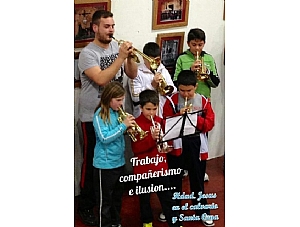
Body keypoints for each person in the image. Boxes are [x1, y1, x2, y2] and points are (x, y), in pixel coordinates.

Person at [77, 9, 138, 226]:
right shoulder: (88, 54)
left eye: (112, 26)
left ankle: (108, 205)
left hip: (115, 112)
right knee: (92, 162)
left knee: (112, 158)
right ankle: (85, 204)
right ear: (95, 27)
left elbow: (131, 74)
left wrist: (129, 58)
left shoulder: (116, 47)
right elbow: (102, 79)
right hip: (91, 115)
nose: (111, 30)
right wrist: (120, 56)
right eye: (106, 26)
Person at [163, 70, 216, 227]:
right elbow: (165, 123)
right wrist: (178, 115)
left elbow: (209, 124)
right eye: (182, 90)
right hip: (177, 145)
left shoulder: (204, 101)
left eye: (189, 91)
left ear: (196, 86)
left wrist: (195, 118)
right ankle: (173, 209)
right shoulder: (171, 101)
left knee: (197, 179)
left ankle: (202, 210)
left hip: (195, 144)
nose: (185, 94)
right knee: (174, 179)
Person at [173, 28, 220, 182]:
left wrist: (207, 74)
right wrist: (190, 70)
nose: (197, 48)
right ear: (188, 44)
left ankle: (200, 168)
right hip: (185, 101)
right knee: (184, 136)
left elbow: (216, 83)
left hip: (202, 103)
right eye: (194, 45)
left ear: (204, 44)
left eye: (200, 45)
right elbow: (175, 81)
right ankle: (184, 168)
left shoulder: (210, 58)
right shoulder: (181, 58)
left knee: (202, 137)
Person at [130, 89, 182, 227]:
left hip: (160, 167)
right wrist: (151, 139)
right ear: (140, 108)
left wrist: (167, 145)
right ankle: (147, 222)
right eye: (148, 109)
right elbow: (136, 149)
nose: (151, 113)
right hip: (143, 168)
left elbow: (167, 143)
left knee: (167, 198)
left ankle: (175, 222)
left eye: (154, 109)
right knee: (144, 199)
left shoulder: (160, 121)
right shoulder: (135, 124)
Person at [93, 81, 136, 227]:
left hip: (119, 162)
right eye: (118, 100)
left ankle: (116, 223)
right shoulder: (100, 115)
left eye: (122, 99)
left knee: (117, 199)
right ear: (108, 98)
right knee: (104, 202)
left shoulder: (118, 113)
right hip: (104, 165)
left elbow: (117, 134)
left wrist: (128, 130)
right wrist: (123, 126)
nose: (121, 103)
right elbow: (104, 138)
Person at [128, 42, 177, 118]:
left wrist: (164, 89)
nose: (154, 64)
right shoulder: (136, 72)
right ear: (144, 58)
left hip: (161, 113)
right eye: (151, 61)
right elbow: (135, 97)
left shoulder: (162, 69)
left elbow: (174, 90)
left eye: (157, 60)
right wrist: (152, 86)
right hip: (142, 115)